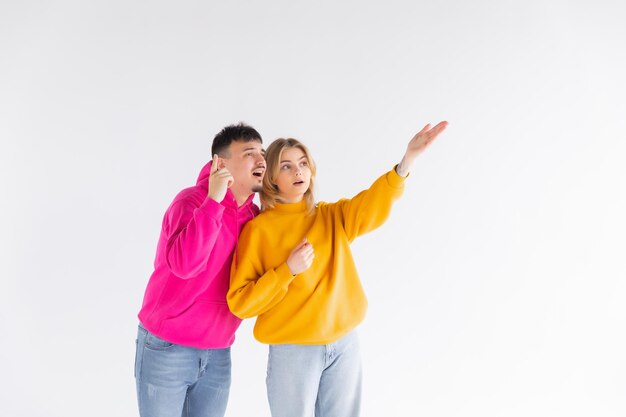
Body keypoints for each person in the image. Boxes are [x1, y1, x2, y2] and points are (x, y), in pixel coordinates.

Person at [227, 121, 448, 417]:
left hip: (344, 344)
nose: (298, 172)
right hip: (293, 351)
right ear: (271, 178)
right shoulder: (258, 231)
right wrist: (286, 271)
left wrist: (406, 161)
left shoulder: (331, 216)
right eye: (287, 166)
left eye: (303, 163)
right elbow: (241, 302)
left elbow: (371, 204)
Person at [135, 122, 266, 417]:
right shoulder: (190, 202)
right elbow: (185, 265)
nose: (261, 161)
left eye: (263, 153)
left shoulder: (255, 218)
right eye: (249, 153)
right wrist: (214, 202)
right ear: (221, 163)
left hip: (218, 353)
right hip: (167, 348)